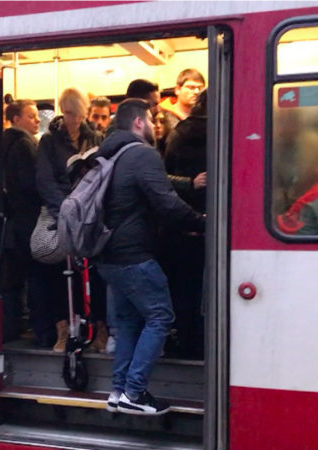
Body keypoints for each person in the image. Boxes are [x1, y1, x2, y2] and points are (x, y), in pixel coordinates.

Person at [95, 99, 205, 415]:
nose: (157, 126)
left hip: (108, 256)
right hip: (134, 255)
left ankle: (118, 391)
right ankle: (135, 392)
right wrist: (202, 222)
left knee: (129, 322)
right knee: (160, 317)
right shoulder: (142, 154)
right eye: (153, 120)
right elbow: (166, 204)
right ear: (139, 123)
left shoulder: (109, 153)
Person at [35, 87, 105, 352]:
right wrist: (64, 208)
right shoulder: (49, 141)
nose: (71, 119)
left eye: (76, 114)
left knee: (94, 272)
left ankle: (98, 328)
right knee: (57, 271)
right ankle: (63, 329)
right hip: (61, 209)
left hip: (89, 212)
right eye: (67, 113)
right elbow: (44, 180)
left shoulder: (96, 137)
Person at [0, 99, 53, 346]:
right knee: (37, 276)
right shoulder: (24, 145)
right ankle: (41, 329)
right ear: (16, 119)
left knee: (14, 277)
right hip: (29, 220)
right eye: (31, 116)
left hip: (12, 221)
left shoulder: (1, 143)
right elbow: (32, 183)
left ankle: (14, 325)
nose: (37, 120)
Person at [163, 89, 209, 359]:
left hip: (181, 221)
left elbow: (165, 176)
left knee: (184, 289)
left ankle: (188, 339)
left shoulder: (179, 133)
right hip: (211, 221)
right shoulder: (225, 129)